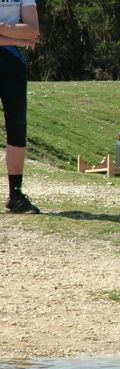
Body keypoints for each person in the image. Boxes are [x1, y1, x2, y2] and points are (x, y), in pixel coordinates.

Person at [1, 0, 40, 214]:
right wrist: (15, 38)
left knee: (17, 128)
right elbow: (25, 36)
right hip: (13, 48)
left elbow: (33, 31)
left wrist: (3, 31)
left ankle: (15, 195)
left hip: (13, 64)